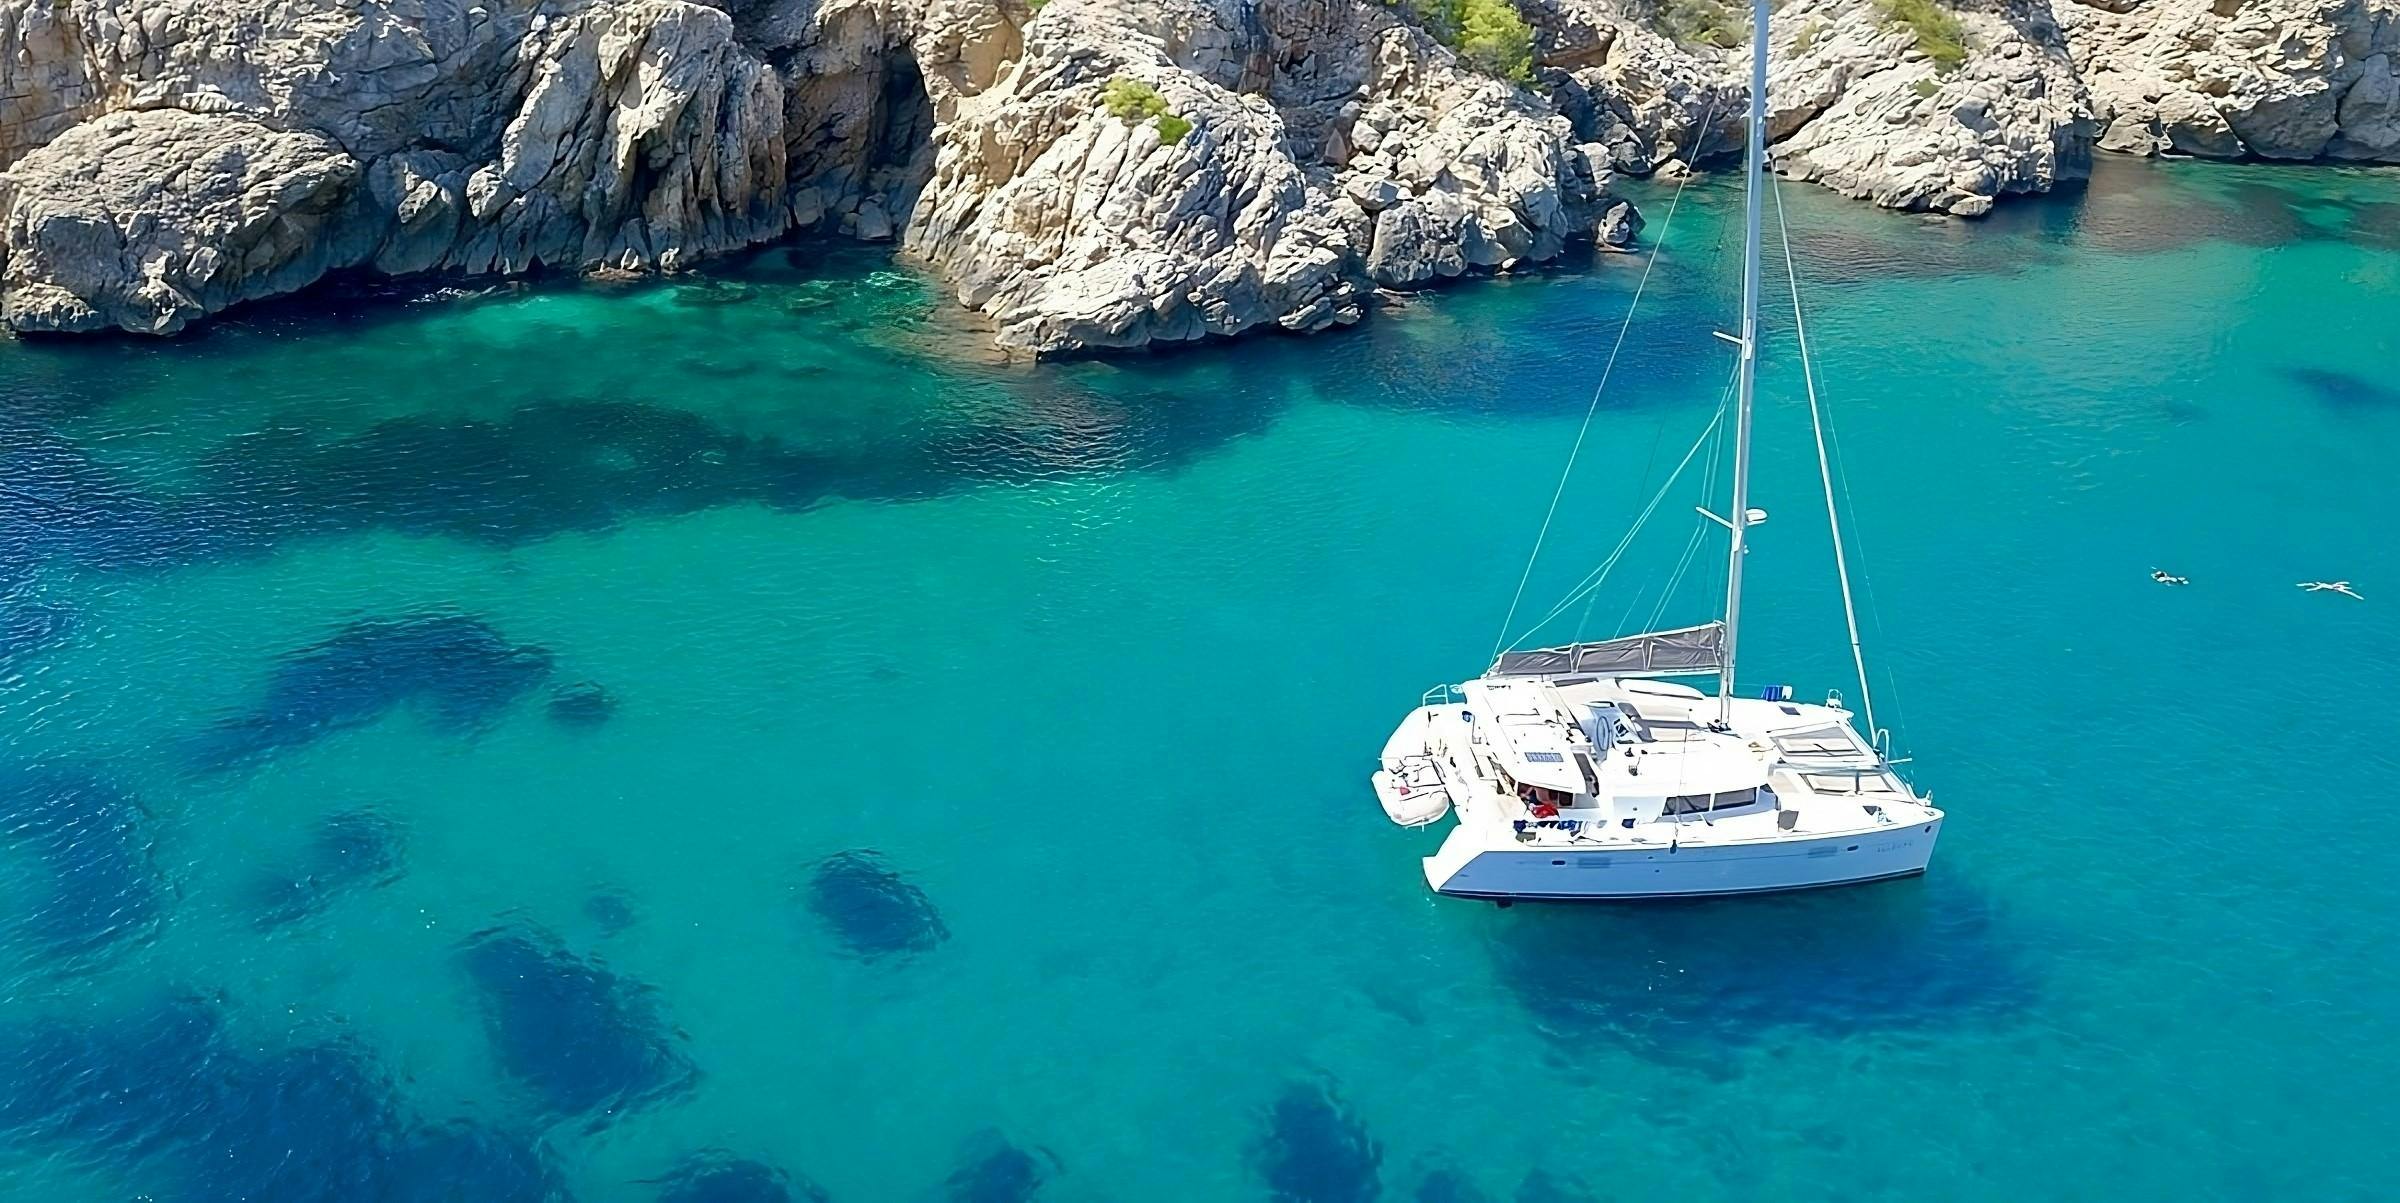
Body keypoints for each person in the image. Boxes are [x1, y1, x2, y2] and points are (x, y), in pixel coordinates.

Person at [2298, 580, 2365, 600]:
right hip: (2323, 585)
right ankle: (2307, 589)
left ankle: (2302, 586)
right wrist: (2358, 597)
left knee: (2313, 585)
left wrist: (2345, 582)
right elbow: (2350, 593)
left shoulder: (2340, 587)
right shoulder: (2341, 588)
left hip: (2323, 585)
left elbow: (2350, 593)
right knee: (2314, 587)